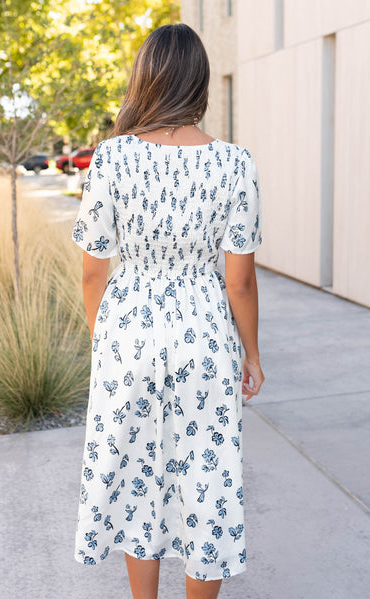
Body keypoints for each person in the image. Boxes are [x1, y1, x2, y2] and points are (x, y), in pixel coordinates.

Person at [72, 23, 264, 599]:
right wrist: (251, 353)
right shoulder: (235, 163)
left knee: (138, 480)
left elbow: (91, 270)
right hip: (204, 338)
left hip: (127, 336)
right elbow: (241, 283)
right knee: (206, 481)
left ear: (145, 81)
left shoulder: (110, 160)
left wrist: (102, 339)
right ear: (200, 83)